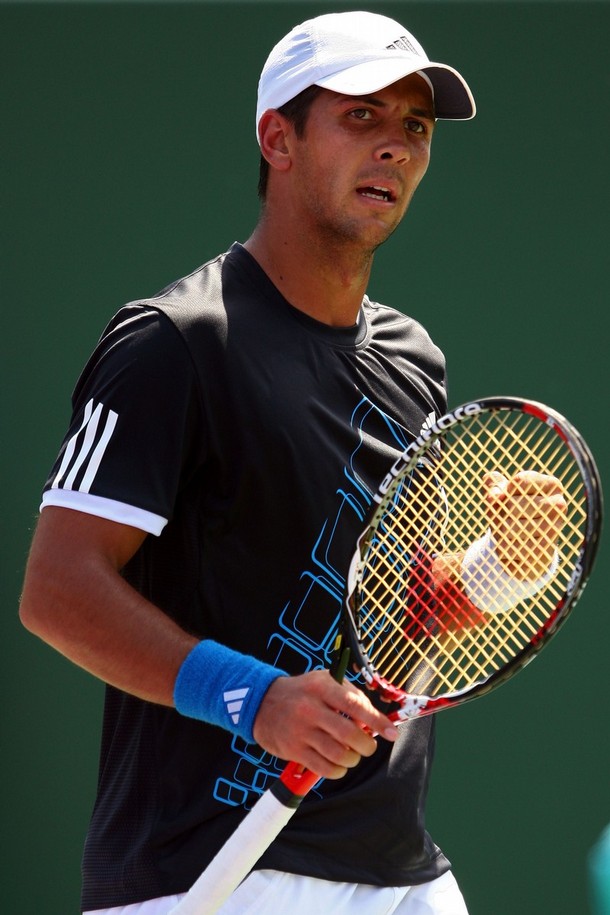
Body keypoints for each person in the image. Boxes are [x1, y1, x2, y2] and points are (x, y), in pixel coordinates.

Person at [19, 10, 563, 915]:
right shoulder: (173, 342)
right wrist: (256, 698)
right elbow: (56, 589)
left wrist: (500, 565)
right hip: (210, 873)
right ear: (278, 138)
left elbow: (395, 621)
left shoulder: (414, 360)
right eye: (361, 116)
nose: (395, 146)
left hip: (399, 872)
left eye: (415, 127)